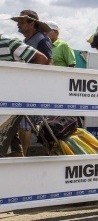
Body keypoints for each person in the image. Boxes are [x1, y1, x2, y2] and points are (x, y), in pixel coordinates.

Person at [11, 9, 53, 155]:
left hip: (35, 87)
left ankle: (25, 155)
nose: (19, 25)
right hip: (28, 86)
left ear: (32, 23)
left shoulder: (41, 39)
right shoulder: (27, 41)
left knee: (29, 124)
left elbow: (48, 62)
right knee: (28, 123)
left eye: (22, 22)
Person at [0, 35, 49, 157]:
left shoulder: (9, 43)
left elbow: (41, 59)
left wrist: (26, 87)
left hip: (10, 103)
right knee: (12, 147)